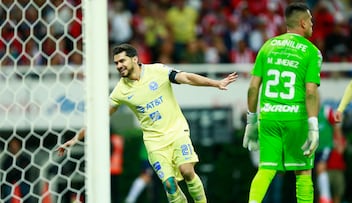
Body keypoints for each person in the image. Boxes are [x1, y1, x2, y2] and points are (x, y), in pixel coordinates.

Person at [57, 43, 238, 203]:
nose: (119, 66)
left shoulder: (158, 71)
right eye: (116, 63)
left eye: (122, 61)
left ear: (135, 59)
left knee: (187, 171)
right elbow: (100, 118)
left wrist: (215, 83)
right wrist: (75, 138)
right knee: (170, 185)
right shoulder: (120, 91)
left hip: (176, 132)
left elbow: (187, 78)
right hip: (154, 142)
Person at [242, 2, 322, 203]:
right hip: (296, 118)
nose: (313, 24)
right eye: (311, 20)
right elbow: (311, 92)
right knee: (303, 172)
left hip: (268, 116)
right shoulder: (312, 52)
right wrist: (313, 125)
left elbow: (253, 87)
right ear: (303, 23)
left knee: (265, 169)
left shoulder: (267, 46)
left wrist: (251, 121)